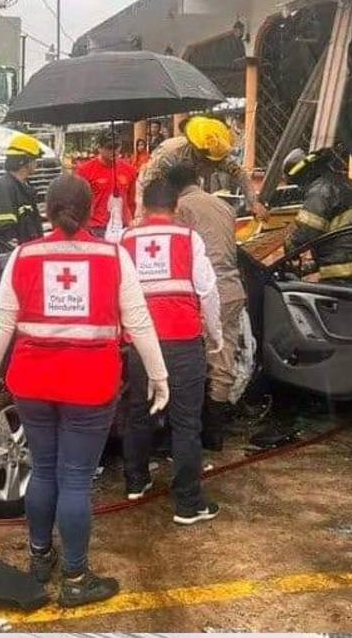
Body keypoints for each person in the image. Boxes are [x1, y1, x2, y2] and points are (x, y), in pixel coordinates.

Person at [0, 174, 169, 607]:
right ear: (91, 209)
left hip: (32, 383)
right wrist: (160, 375)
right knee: (75, 479)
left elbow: (2, 321)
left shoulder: (23, 255)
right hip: (90, 384)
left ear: (46, 208)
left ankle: (40, 560)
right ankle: (76, 579)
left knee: (42, 470)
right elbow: (138, 321)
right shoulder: (113, 255)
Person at [119, 179, 223, 522]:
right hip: (182, 340)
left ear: (144, 208)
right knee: (185, 422)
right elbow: (207, 290)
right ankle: (188, 503)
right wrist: (216, 333)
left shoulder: (125, 239)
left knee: (138, 412)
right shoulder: (188, 238)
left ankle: (136, 481)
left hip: (140, 343)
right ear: (176, 207)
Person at [167, 163, 244, 449]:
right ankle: (216, 434)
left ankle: (192, 431)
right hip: (233, 288)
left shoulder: (181, 209)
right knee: (224, 358)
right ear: (198, 179)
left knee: (195, 361)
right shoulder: (224, 206)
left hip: (205, 291)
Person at [282, 147, 352, 288]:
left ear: (302, 175)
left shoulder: (321, 191)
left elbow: (305, 234)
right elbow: (345, 237)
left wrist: (288, 247)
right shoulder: (346, 182)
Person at [138, 116, 269, 220]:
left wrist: (253, 203)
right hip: (159, 188)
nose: (211, 166)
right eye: (207, 160)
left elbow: (239, 173)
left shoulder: (217, 153)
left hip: (189, 193)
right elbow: (149, 187)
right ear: (196, 148)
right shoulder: (169, 154)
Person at [75, 131, 138, 237]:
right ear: (99, 148)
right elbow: (79, 202)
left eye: (117, 146)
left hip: (122, 227)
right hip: (96, 228)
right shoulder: (85, 171)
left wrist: (129, 220)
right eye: (109, 147)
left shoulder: (130, 170)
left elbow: (131, 201)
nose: (114, 151)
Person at [0, 132, 46, 249]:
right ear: (24, 161)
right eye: (34, 160)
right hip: (16, 256)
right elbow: (5, 231)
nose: (36, 163)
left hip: (30, 251)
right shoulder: (5, 187)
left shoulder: (25, 186)